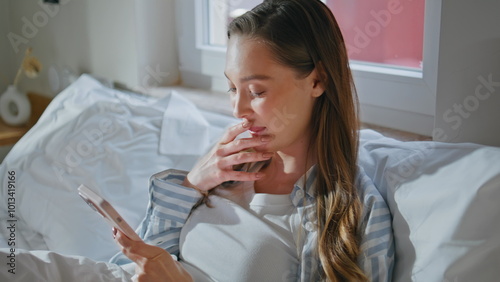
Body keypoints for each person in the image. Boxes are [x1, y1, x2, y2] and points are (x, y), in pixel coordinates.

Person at [112, 0, 394, 281]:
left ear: (318, 80)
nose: (237, 110)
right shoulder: (226, 170)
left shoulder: (353, 216)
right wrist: (192, 184)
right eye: (232, 88)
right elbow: (146, 262)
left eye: (257, 91)